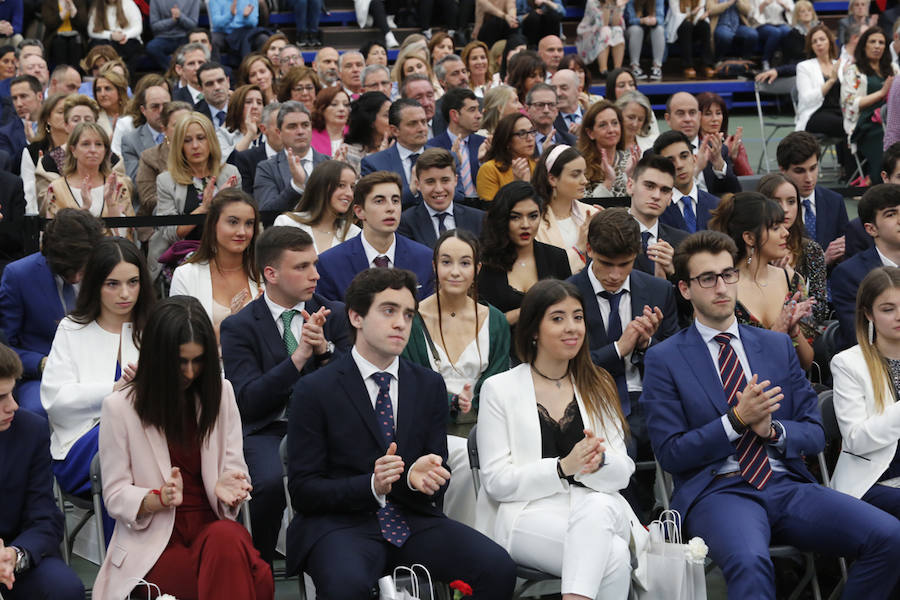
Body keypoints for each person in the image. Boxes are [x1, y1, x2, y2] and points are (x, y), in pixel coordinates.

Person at [641, 228, 900, 598]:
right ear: (685, 289)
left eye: (729, 274)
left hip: (786, 483)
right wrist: (735, 421)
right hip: (719, 490)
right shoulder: (664, 359)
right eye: (707, 278)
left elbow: (814, 433)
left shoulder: (775, 345)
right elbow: (671, 454)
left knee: (890, 537)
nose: (721, 287)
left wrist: (774, 430)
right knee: (750, 562)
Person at [287, 265, 519, 595]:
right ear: (356, 317)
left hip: (412, 519)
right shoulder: (315, 389)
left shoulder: (428, 385)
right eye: (388, 311)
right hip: (339, 524)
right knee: (346, 586)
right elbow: (304, 490)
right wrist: (371, 484)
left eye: (409, 314)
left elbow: (436, 478)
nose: (401, 323)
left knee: (496, 566)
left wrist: (418, 479)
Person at [92, 295, 273, 600]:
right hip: (153, 537)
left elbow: (234, 468)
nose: (190, 373)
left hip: (211, 525)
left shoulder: (222, 393)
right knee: (214, 581)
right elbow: (115, 494)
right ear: (158, 358)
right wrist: (156, 498)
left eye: (199, 360)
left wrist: (232, 487)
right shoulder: (119, 407)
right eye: (181, 362)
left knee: (227, 542)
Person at [476, 277, 644, 599]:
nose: (572, 327)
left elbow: (623, 471)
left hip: (598, 509)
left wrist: (600, 461)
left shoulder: (597, 383)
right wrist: (562, 467)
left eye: (578, 317)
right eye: (558, 318)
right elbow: (496, 482)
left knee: (598, 507)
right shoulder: (500, 389)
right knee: (615, 556)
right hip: (527, 514)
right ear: (534, 331)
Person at [220, 226, 351, 567]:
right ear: (271, 274)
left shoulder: (335, 314)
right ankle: (259, 568)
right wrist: (298, 358)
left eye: (315, 264)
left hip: (327, 428)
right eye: (302, 267)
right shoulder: (240, 327)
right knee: (266, 484)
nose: (315, 275)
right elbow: (247, 401)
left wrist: (324, 350)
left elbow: (354, 384)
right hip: (268, 428)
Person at [41, 237, 154, 523]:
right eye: (112, 284)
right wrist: (114, 391)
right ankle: (128, 556)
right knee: (121, 445)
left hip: (150, 441)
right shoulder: (72, 329)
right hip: (82, 447)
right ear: (95, 285)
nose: (125, 293)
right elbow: (55, 400)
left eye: (133, 282)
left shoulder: (156, 328)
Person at [400, 229, 508, 527]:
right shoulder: (412, 317)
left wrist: (477, 398)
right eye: (447, 262)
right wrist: (448, 401)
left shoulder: (495, 319)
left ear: (477, 269)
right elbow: (409, 378)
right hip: (426, 426)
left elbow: (499, 376)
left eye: (465, 263)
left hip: (484, 424)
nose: (455, 272)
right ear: (434, 266)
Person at [0, 342, 85, 600]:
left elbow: (45, 517)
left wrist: (15, 554)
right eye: (0, 398)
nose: (13, 405)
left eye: (12, 393)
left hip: (15, 557)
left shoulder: (30, 430)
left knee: (64, 588)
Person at [0, 209, 103, 418]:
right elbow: (5, 346)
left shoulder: (103, 270)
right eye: (68, 270)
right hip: (41, 376)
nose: (76, 276)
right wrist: (41, 363)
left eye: (82, 269)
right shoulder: (19, 276)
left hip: (98, 365)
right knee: (37, 411)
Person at [708, 192, 816, 369]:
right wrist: (777, 332)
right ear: (749, 238)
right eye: (775, 228)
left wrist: (795, 331)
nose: (786, 233)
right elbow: (721, 363)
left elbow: (807, 363)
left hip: (791, 384)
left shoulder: (792, 280)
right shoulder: (721, 288)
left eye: (783, 226)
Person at [830, 266, 900, 522]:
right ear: (869, 314)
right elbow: (856, 438)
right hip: (873, 481)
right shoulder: (848, 363)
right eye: (888, 309)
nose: (898, 316)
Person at [315, 171, 435, 302]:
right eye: (379, 201)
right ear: (359, 211)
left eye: (395, 200)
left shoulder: (425, 259)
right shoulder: (330, 264)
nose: (390, 208)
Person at [478, 180, 571, 347]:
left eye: (533, 216)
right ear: (502, 219)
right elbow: (482, 324)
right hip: (501, 353)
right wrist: (527, 312)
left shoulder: (556, 257)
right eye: (516, 217)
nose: (526, 225)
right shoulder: (484, 262)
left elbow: (568, 311)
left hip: (551, 350)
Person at [150, 111, 240, 277]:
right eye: (187, 141)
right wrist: (205, 208)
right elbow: (171, 233)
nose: (195, 146)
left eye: (201, 138)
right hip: (182, 258)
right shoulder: (166, 181)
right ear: (180, 146)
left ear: (211, 140)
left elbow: (241, 222)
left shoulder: (230, 173)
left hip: (226, 252)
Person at [169, 188, 262, 338]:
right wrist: (233, 320)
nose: (242, 232)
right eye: (233, 222)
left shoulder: (266, 273)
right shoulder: (186, 275)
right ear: (213, 224)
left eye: (249, 224)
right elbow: (181, 340)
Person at [833, 185, 900, 351]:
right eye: (891, 214)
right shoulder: (849, 274)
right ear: (871, 229)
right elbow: (859, 336)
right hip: (871, 364)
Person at [757, 172, 828, 328]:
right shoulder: (752, 252)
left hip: (804, 334)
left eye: (791, 201)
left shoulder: (811, 250)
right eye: (776, 202)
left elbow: (821, 310)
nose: (785, 209)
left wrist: (792, 281)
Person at [42, 122, 134, 238]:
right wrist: (84, 209)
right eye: (85, 144)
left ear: (105, 151)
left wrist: (111, 203)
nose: (93, 150)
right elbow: (53, 236)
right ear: (73, 150)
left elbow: (127, 235)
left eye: (99, 144)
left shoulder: (118, 185)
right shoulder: (57, 188)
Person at [776, 131, 849, 266]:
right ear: (783, 170)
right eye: (800, 171)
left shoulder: (834, 201)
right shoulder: (773, 206)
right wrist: (822, 261)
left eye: (813, 168)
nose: (809, 179)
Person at [841, 26, 898, 185]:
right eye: (872, 41)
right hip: (864, 123)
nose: (877, 46)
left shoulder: (893, 69)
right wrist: (881, 93)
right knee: (883, 136)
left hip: (892, 118)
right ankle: (878, 181)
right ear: (864, 45)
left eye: (881, 42)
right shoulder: (854, 70)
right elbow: (850, 103)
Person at [398, 148, 485, 248]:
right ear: (418, 184)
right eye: (430, 182)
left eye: (445, 180)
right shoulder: (405, 222)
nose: (439, 189)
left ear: (455, 180)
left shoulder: (478, 219)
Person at [795, 25, 851, 176]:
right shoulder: (804, 67)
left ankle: (851, 171)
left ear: (830, 42)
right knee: (847, 125)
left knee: (857, 122)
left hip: (839, 112)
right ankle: (850, 172)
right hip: (814, 114)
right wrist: (831, 81)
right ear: (811, 46)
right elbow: (806, 99)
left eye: (822, 39)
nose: (818, 43)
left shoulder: (839, 65)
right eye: (814, 41)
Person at [530, 145, 596, 273]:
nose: (584, 181)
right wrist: (579, 247)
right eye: (575, 175)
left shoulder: (593, 214)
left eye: (584, 173)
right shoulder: (533, 222)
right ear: (552, 179)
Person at [254, 101, 329, 214]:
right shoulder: (267, 168)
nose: (300, 131)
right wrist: (296, 186)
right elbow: (266, 212)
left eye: (305, 125)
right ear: (279, 133)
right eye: (292, 126)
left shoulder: (329, 163)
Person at [273, 159, 361, 253]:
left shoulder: (354, 233)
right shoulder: (287, 223)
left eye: (352, 187)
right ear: (321, 187)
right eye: (341, 185)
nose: (349, 194)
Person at [663, 91, 741, 196]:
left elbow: (736, 194)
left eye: (692, 113)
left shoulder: (718, 150)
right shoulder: (656, 155)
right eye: (680, 113)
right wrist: (695, 171)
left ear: (699, 116)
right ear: (668, 119)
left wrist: (719, 165)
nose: (688, 119)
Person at [360, 98, 432, 208]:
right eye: (413, 124)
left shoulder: (446, 157)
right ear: (394, 130)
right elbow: (378, 205)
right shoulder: (374, 164)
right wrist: (411, 191)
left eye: (424, 122)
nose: (422, 128)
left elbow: (458, 196)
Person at [626, 154, 689, 279]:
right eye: (649, 186)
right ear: (630, 186)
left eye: (665, 190)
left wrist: (673, 272)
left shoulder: (683, 243)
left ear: (670, 198)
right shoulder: (608, 232)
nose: (656, 196)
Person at [653, 130, 721, 233]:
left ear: (694, 159)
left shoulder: (716, 205)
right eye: (670, 161)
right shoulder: (655, 209)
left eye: (684, 156)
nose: (679, 165)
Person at [426, 87, 485, 199]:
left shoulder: (483, 143)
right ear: (454, 115)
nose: (479, 115)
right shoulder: (433, 147)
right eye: (472, 110)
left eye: (478, 109)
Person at [135, 100, 191, 219]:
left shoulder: (203, 153)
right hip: (160, 221)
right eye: (177, 125)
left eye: (188, 123)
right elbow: (148, 200)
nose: (183, 129)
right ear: (164, 129)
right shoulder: (149, 157)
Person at [578, 99, 637, 199]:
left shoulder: (630, 161)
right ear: (590, 133)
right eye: (603, 125)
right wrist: (608, 183)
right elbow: (582, 205)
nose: (611, 130)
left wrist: (631, 175)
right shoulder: (580, 164)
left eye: (615, 123)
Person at [120, 76, 171, 184]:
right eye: (155, 107)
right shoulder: (131, 141)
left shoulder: (184, 134)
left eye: (166, 106)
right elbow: (137, 182)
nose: (161, 111)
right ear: (143, 110)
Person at [477, 113, 537, 203]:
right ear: (507, 140)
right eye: (522, 133)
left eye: (532, 131)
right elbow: (492, 212)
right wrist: (517, 184)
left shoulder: (536, 166)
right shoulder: (489, 170)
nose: (530, 138)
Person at [227, 100, 281, 194]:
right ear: (264, 129)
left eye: (290, 126)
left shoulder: (303, 155)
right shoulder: (247, 159)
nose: (287, 131)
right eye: (280, 126)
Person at [697, 92, 752, 176]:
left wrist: (734, 158)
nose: (715, 119)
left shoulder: (732, 143)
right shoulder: (691, 144)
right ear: (697, 117)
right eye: (708, 114)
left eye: (718, 113)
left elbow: (748, 177)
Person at [86, 0, 142, 75]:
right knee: (98, 45)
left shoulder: (128, 3)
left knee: (131, 47)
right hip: (107, 40)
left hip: (126, 39)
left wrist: (124, 36)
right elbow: (91, 31)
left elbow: (138, 27)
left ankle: (125, 77)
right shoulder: (97, 6)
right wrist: (111, 35)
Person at [340, 91, 390, 175]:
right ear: (370, 120)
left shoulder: (398, 145)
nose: (394, 120)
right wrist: (380, 158)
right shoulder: (350, 153)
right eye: (387, 115)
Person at [146, 0, 200, 71]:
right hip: (163, 38)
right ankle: (174, 70)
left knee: (199, 45)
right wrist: (172, 20)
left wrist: (180, 16)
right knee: (152, 47)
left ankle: (179, 71)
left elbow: (193, 25)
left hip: (185, 37)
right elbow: (154, 26)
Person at [667, 0, 714, 79]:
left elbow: (700, 13)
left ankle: (706, 64)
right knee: (687, 25)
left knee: (704, 25)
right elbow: (677, 15)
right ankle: (687, 66)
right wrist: (692, 14)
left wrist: (697, 17)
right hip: (678, 27)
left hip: (694, 25)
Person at [527, 83, 577, 157]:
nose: (546, 110)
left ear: (557, 110)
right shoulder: (522, 141)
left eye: (551, 105)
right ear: (528, 109)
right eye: (540, 105)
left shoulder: (570, 141)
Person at [216, 84, 264, 159]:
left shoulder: (269, 133)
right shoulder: (223, 135)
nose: (255, 106)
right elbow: (228, 164)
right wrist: (250, 134)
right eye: (248, 102)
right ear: (237, 106)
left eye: (259, 102)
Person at [577, 0, 626, 74]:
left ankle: (617, 70)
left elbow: (615, 23)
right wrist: (606, 3)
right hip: (590, 32)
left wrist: (618, 6)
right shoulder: (592, 2)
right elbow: (603, 23)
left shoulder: (619, 1)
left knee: (618, 30)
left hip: (608, 32)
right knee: (605, 30)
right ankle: (603, 70)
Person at [42, 0, 89, 71]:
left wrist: (73, 9)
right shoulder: (49, 2)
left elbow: (83, 23)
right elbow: (49, 23)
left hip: (75, 36)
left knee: (75, 42)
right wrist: (62, 14)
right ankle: (61, 73)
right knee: (59, 42)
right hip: (55, 36)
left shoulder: (79, 2)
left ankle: (75, 73)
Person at [625, 0, 665, 79]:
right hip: (633, 32)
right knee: (636, 30)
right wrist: (641, 21)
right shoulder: (630, 1)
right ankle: (635, 67)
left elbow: (661, 18)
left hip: (650, 34)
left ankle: (657, 67)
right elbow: (630, 20)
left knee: (659, 29)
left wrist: (655, 20)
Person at [310, 85, 350, 158]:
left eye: (346, 105)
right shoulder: (310, 136)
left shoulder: (356, 135)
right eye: (334, 104)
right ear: (322, 108)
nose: (342, 109)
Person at [92, 62, 127, 137]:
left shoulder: (133, 115)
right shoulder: (93, 118)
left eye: (107, 89)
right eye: (98, 90)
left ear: (120, 91)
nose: (102, 94)